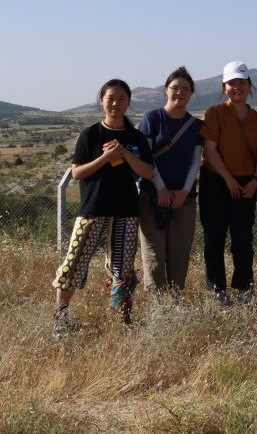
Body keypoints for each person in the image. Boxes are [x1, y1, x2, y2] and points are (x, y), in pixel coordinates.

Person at [52, 79, 154, 336]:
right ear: (101, 101)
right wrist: (106, 157)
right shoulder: (91, 135)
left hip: (127, 210)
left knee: (123, 268)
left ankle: (122, 320)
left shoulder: (135, 137)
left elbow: (148, 173)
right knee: (74, 262)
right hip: (93, 209)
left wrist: (125, 154)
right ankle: (60, 318)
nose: (116, 103)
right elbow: (77, 173)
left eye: (121, 98)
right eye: (111, 98)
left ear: (128, 102)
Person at [199, 61, 257, 304]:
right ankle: (218, 291)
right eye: (232, 83)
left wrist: (255, 180)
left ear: (250, 86)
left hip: (245, 183)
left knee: (243, 238)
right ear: (224, 87)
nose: (236, 87)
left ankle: (243, 288)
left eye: (241, 82)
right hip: (215, 182)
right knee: (214, 238)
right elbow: (209, 149)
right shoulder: (215, 113)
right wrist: (228, 179)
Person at [137, 66, 203, 293]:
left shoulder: (196, 125)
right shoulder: (152, 118)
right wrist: (161, 188)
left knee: (180, 251)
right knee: (154, 252)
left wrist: (184, 192)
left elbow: (195, 162)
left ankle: (174, 300)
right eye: (175, 88)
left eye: (185, 89)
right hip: (152, 195)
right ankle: (158, 306)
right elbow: (145, 157)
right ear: (166, 90)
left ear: (191, 93)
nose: (180, 93)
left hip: (184, 199)